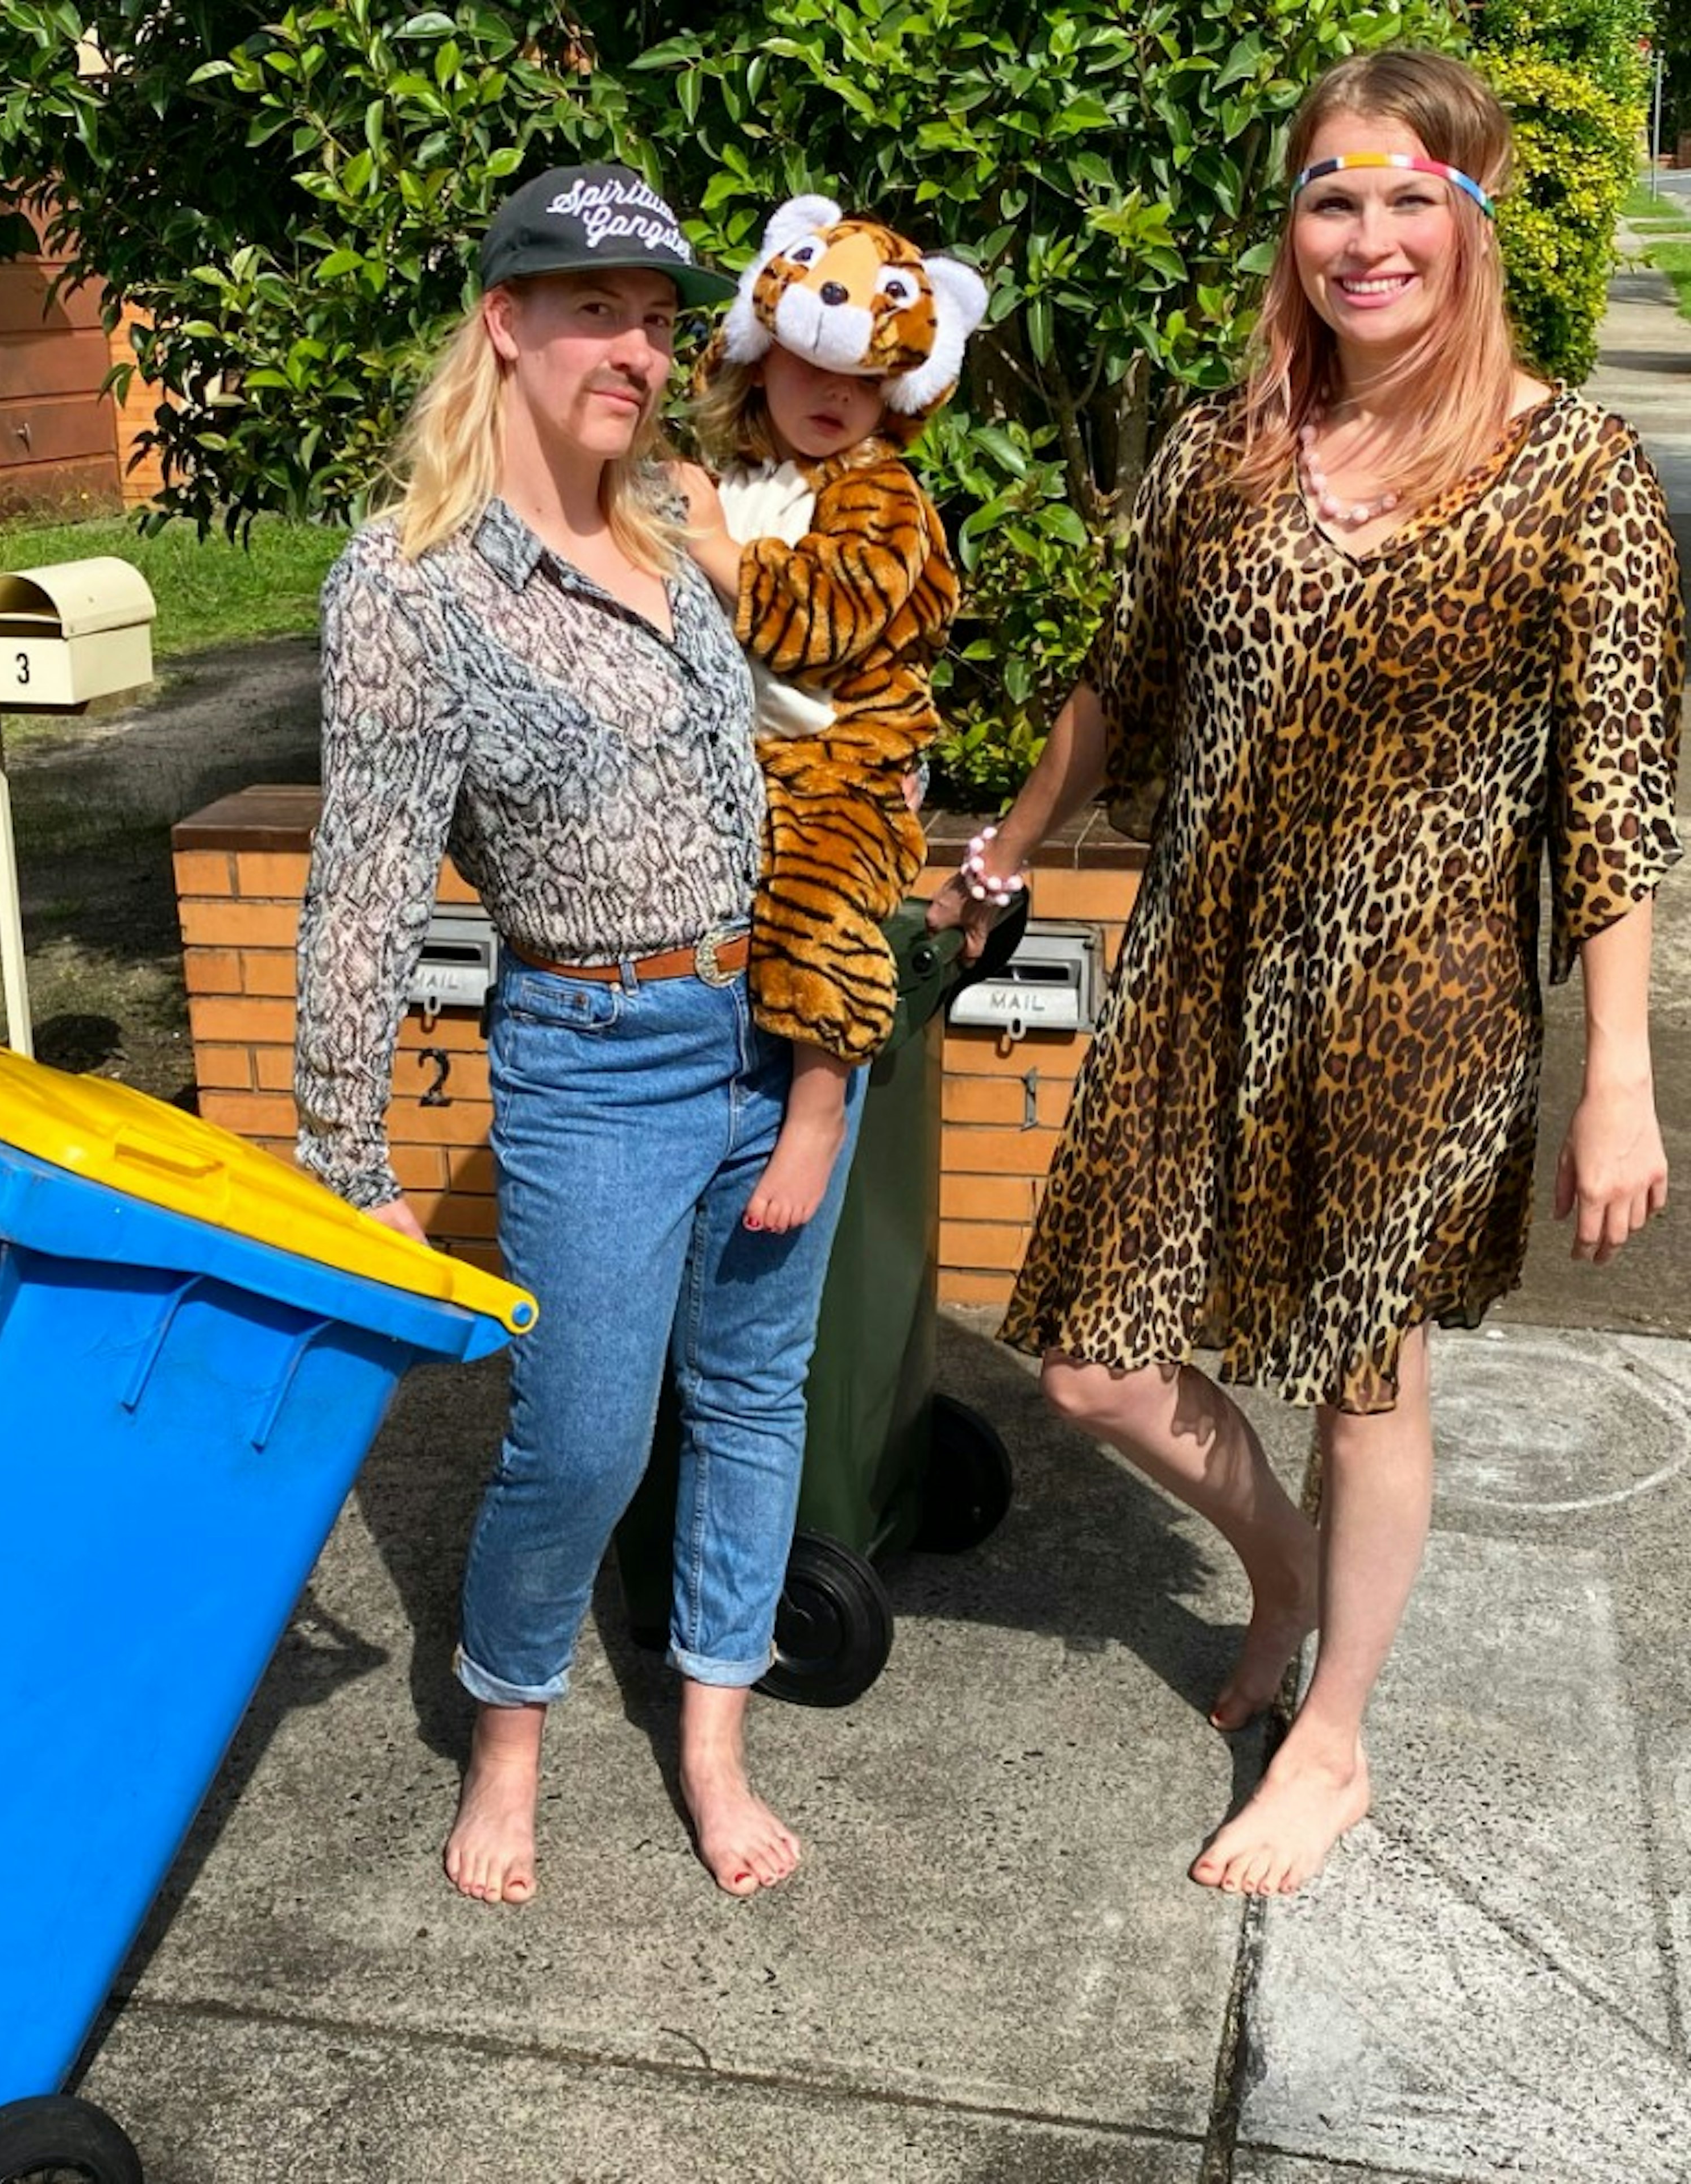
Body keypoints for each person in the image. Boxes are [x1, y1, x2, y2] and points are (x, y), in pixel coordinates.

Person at [928, 47, 1682, 1897]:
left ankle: (1332, 1740)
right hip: (1201, 960)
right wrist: (1016, 842)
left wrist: (1616, 1079)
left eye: (1410, 196)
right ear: (1296, 221)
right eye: (1332, 196)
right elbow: (1126, 680)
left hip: (1423, 1008)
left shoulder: (1566, 473)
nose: (1367, 236)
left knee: (1368, 1384)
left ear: (1473, 217)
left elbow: (1618, 791)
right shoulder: (1225, 446)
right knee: (1101, 1371)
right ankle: (1277, 1572)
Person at [293, 165, 865, 1905]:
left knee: (755, 1400)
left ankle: (713, 1739)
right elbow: (365, 888)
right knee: (588, 1432)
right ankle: (510, 1731)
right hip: (593, 1051)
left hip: (766, 1030)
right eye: (596, 307)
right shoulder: (413, 590)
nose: (636, 345)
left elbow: (812, 767)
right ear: (507, 324)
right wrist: (348, 1156)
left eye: (657, 315)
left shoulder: (685, 532)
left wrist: (835, 1053)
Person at [675, 196, 987, 1232]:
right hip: (735, 758)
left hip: (844, 759)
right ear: (760, 358)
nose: (834, 395)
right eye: (812, 366)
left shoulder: (879, 491)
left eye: (863, 381)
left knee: (818, 909)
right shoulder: (732, 474)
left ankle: (817, 1113)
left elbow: (832, 620)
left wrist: (716, 551)